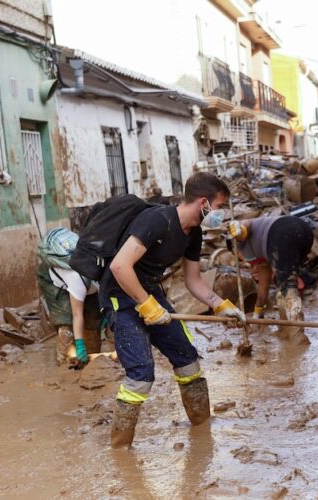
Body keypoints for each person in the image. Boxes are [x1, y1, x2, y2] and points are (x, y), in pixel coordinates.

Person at [101, 172, 247, 449]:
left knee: (187, 358)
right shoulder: (157, 220)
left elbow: (193, 280)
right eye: (219, 207)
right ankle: (120, 449)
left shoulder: (194, 233)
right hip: (120, 295)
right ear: (203, 202)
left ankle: (203, 434)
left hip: (150, 292)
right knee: (141, 373)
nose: (221, 215)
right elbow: (120, 267)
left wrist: (221, 306)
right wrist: (146, 306)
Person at [227, 215, 314, 344]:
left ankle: (298, 336)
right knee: (282, 283)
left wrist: (242, 229)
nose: (242, 260)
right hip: (303, 230)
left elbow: (248, 223)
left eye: (238, 257)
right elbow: (265, 280)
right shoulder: (259, 251)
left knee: (288, 286)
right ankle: (285, 327)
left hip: (280, 234)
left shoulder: (239, 243)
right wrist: (258, 310)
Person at [35, 228, 101, 368]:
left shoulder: (104, 272)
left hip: (84, 283)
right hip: (52, 280)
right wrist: (80, 344)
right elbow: (77, 315)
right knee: (67, 320)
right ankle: (65, 364)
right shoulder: (77, 279)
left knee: (94, 317)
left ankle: (92, 363)